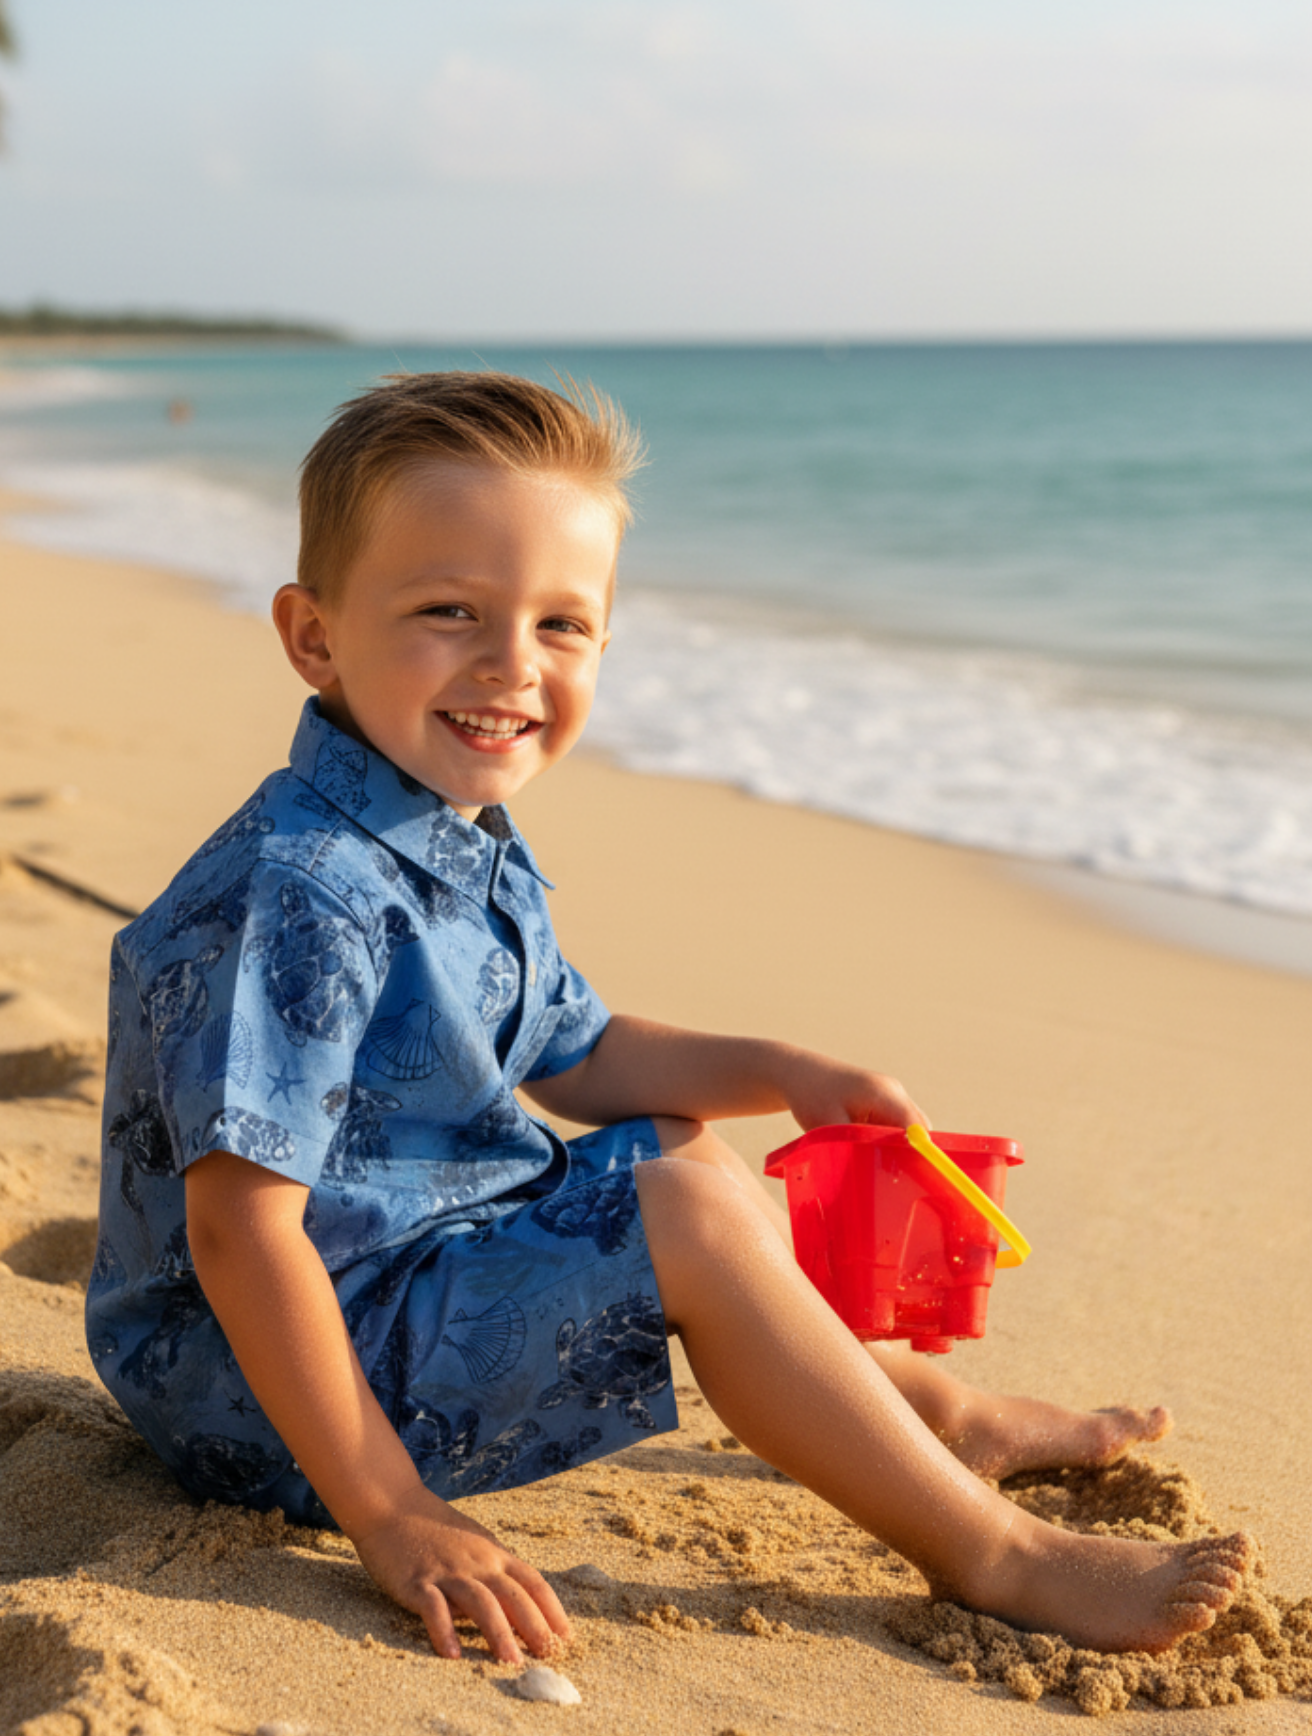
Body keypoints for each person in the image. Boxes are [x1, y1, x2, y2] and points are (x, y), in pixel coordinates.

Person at [87, 370, 1250, 1668]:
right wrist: (389, 1509)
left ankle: (916, 1410)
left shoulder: (450, 836)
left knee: (681, 1148)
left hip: (391, 1287)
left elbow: (576, 1054)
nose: (509, 666)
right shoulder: (304, 892)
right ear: (313, 636)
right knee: (687, 1214)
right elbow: (242, 1233)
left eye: (561, 626)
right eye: (447, 612)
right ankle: (993, 1556)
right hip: (261, 1401)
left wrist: (789, 1070)